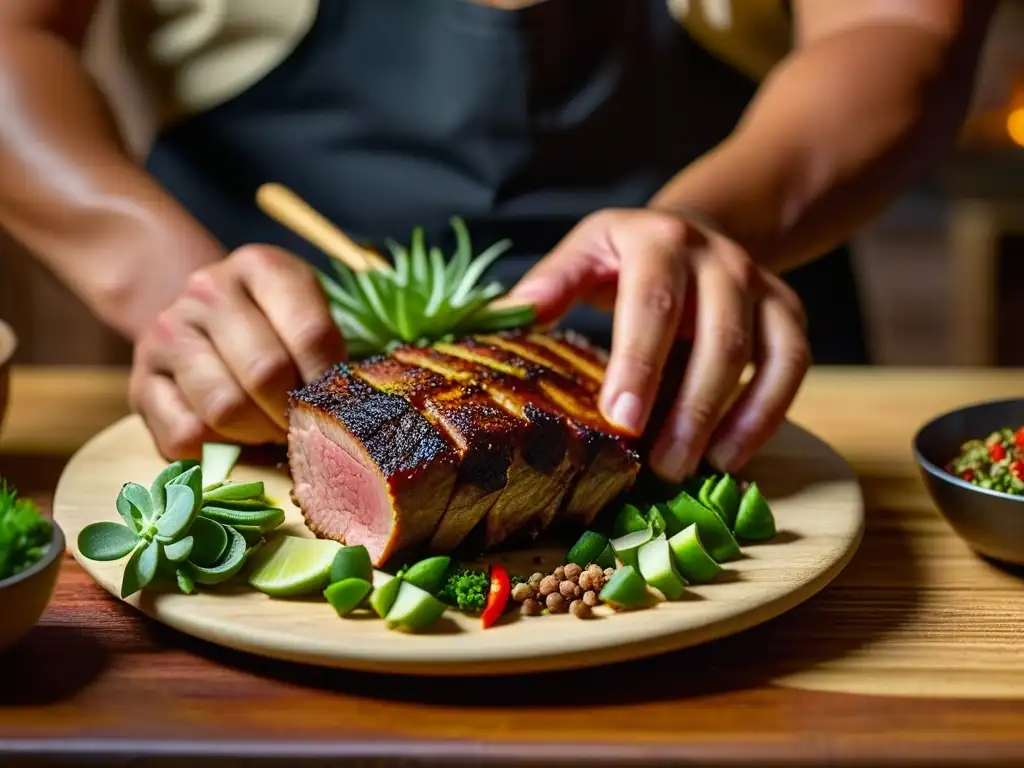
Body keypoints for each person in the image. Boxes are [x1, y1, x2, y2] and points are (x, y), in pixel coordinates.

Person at [0, 0, 993, 481]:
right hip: (263, 388)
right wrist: (157, 274)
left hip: (716, 353)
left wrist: (715, 226)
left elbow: (899, 25)